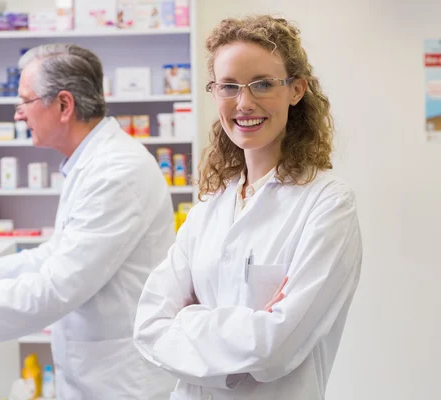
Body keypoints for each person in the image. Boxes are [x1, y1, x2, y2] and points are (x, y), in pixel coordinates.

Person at [0, 44, 177, 399]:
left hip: (122, 381)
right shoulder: (93, 161)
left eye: (24, 101)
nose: (19, 115)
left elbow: (58, 287)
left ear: (64, 105)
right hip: (100, 373)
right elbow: (59, 253)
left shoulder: (116, 172)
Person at [133, 15, 362, 400]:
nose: (244, 103)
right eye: (229, 86)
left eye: (262, 84)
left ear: (296, 90)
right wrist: (248, 328)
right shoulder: (210, 205)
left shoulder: (328, 204)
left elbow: (276, 349)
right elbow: (149, 328)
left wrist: (189, 321)